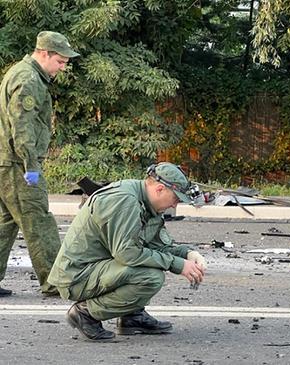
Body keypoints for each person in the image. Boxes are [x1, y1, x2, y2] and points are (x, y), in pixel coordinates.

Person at [47, 163, 208, 341]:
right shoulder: (125, 201)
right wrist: (176, 264)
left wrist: (188, 255)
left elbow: (156, 246)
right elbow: (127, 253)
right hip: (76, 276)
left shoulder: (147, 202)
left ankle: (132, 317)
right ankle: (85, 313)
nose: (175, 204)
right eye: (176, 198)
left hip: (97, 268)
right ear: (160, 189)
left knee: (149, 264)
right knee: (150, 277)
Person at [0, 31, 80, 297]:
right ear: (44, 54)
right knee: (39, 221)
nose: (63, 67)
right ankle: (55, 281)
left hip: (6, 163)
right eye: (60, 61)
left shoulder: (22, 73)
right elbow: (21, 128)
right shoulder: (28, 79)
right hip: (18, 165)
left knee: (6, 222)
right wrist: (31, 167)